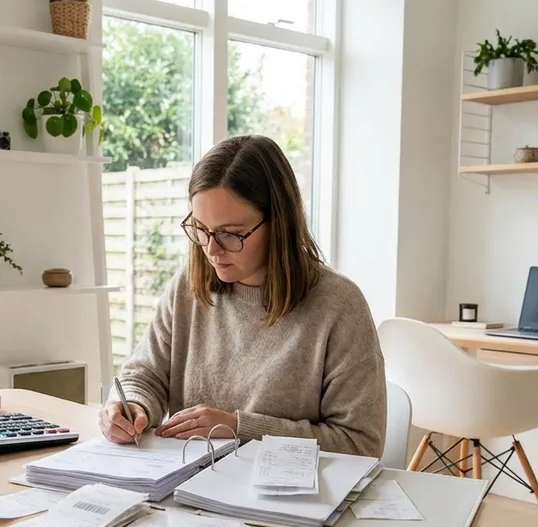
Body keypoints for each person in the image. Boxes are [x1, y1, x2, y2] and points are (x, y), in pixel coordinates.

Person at [99, 135, 387, 457]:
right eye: (201, 229)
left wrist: (238, 428)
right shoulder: (187, 286)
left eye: (230, 234)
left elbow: (360, 444)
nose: (211, 249)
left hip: (286, 500)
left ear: (279, 223)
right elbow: (145, 374)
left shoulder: (339, 306)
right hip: (187, 490)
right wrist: (131, 405)